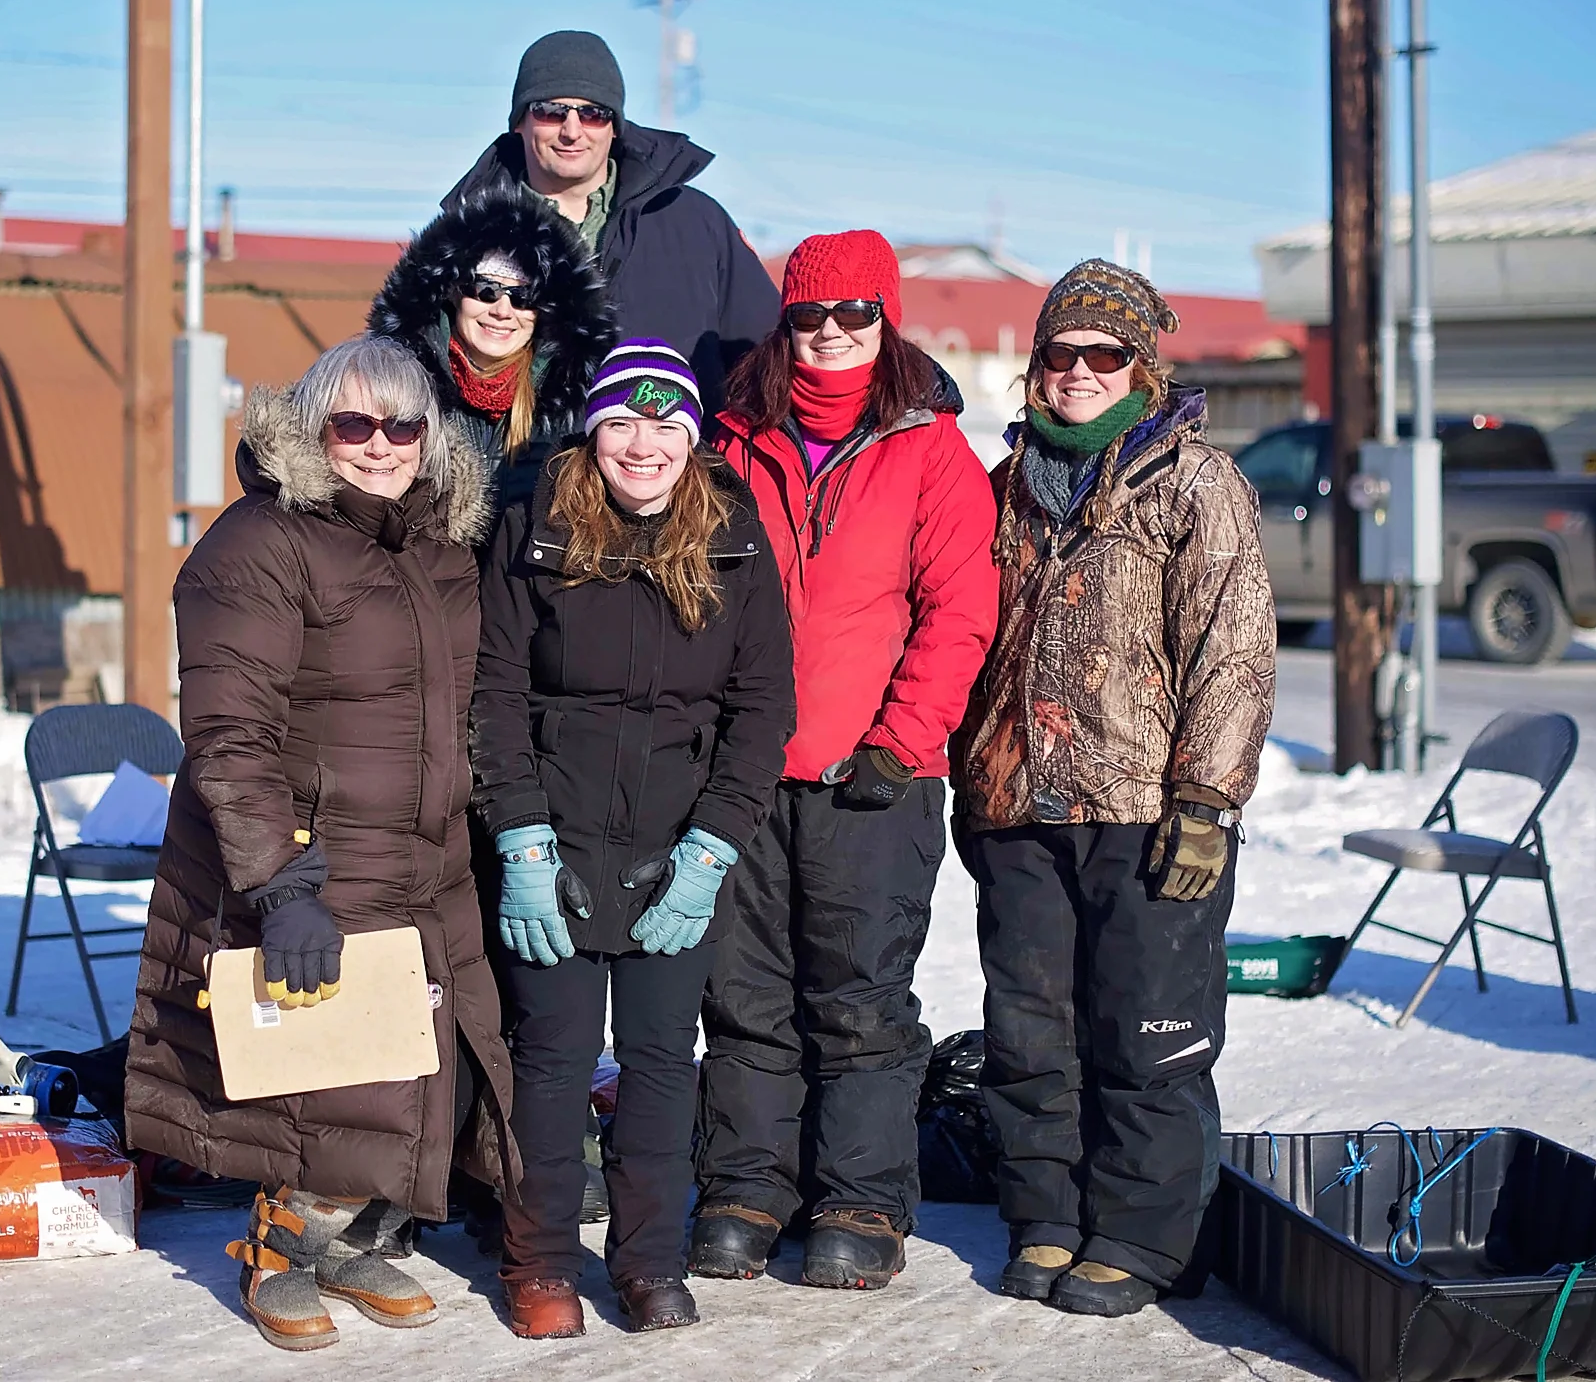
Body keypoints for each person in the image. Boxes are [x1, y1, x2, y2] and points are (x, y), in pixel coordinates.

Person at [124, 336, 517, 1352]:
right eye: (353, 423)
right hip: (316, 853)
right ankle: (278, 1246)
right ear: (311, 429)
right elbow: (229, 732)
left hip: (429, 859)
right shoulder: (258, 543)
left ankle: (350, 1236)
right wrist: (279, 881)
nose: (378, 444)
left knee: (424, 1066)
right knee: (324, 1069)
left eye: (401, 424)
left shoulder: (438, 547)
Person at [950, 259, 1276, 1318]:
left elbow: (1233, 651)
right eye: (1060, 353)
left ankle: (1140, 1233)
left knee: (1145, 1032)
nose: (1078, 372)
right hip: (1016, 804)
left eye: (1103, 354)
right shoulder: (999, 487)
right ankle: (1044, 1213)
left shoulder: (1192, 482)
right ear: (1035, 367)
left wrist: (1208, 800)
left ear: (1140, 366)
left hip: (1146, 807)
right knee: (1029, 1033)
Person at [471, 339, 794, 1337]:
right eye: (620, 422)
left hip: (674, 849)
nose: (641, 445)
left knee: (659, 1061)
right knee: (553, 1059)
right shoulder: (533, 532)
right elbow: (493, 693)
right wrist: (520, 841)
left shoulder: (734, 541)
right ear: (590, 432)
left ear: (690, 439)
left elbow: (760, 708)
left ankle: (649, 1262)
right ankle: (538, 1264)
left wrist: (709, 852)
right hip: (554, 841)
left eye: (663, 426)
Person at [696, 230, 998, 1290]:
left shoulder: (929, 449)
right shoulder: (732, 436)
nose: (830, 334)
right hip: (743, 773)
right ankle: (744, 1184)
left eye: (853, 314)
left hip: (873, 774)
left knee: (859, 998)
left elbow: (958, 611)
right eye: (811, 315)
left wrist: (902, 739)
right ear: (787, 321)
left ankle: (861, 1197)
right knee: (742, 996)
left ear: (885, 318)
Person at [445, 29, 779, 412]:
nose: (572, 131)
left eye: (593, 114)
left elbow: (766, 360)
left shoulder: (696, 222)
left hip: (675, 465)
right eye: (551, 111)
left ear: (616, 125)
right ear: (520, 121)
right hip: (519, 469)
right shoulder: (469, 232)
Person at [369, 186, 617, 519]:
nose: (502, 310)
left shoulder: (576, 406)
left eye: (524, 297)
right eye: (486, 290)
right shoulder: (394, 387)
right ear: (454, 293)